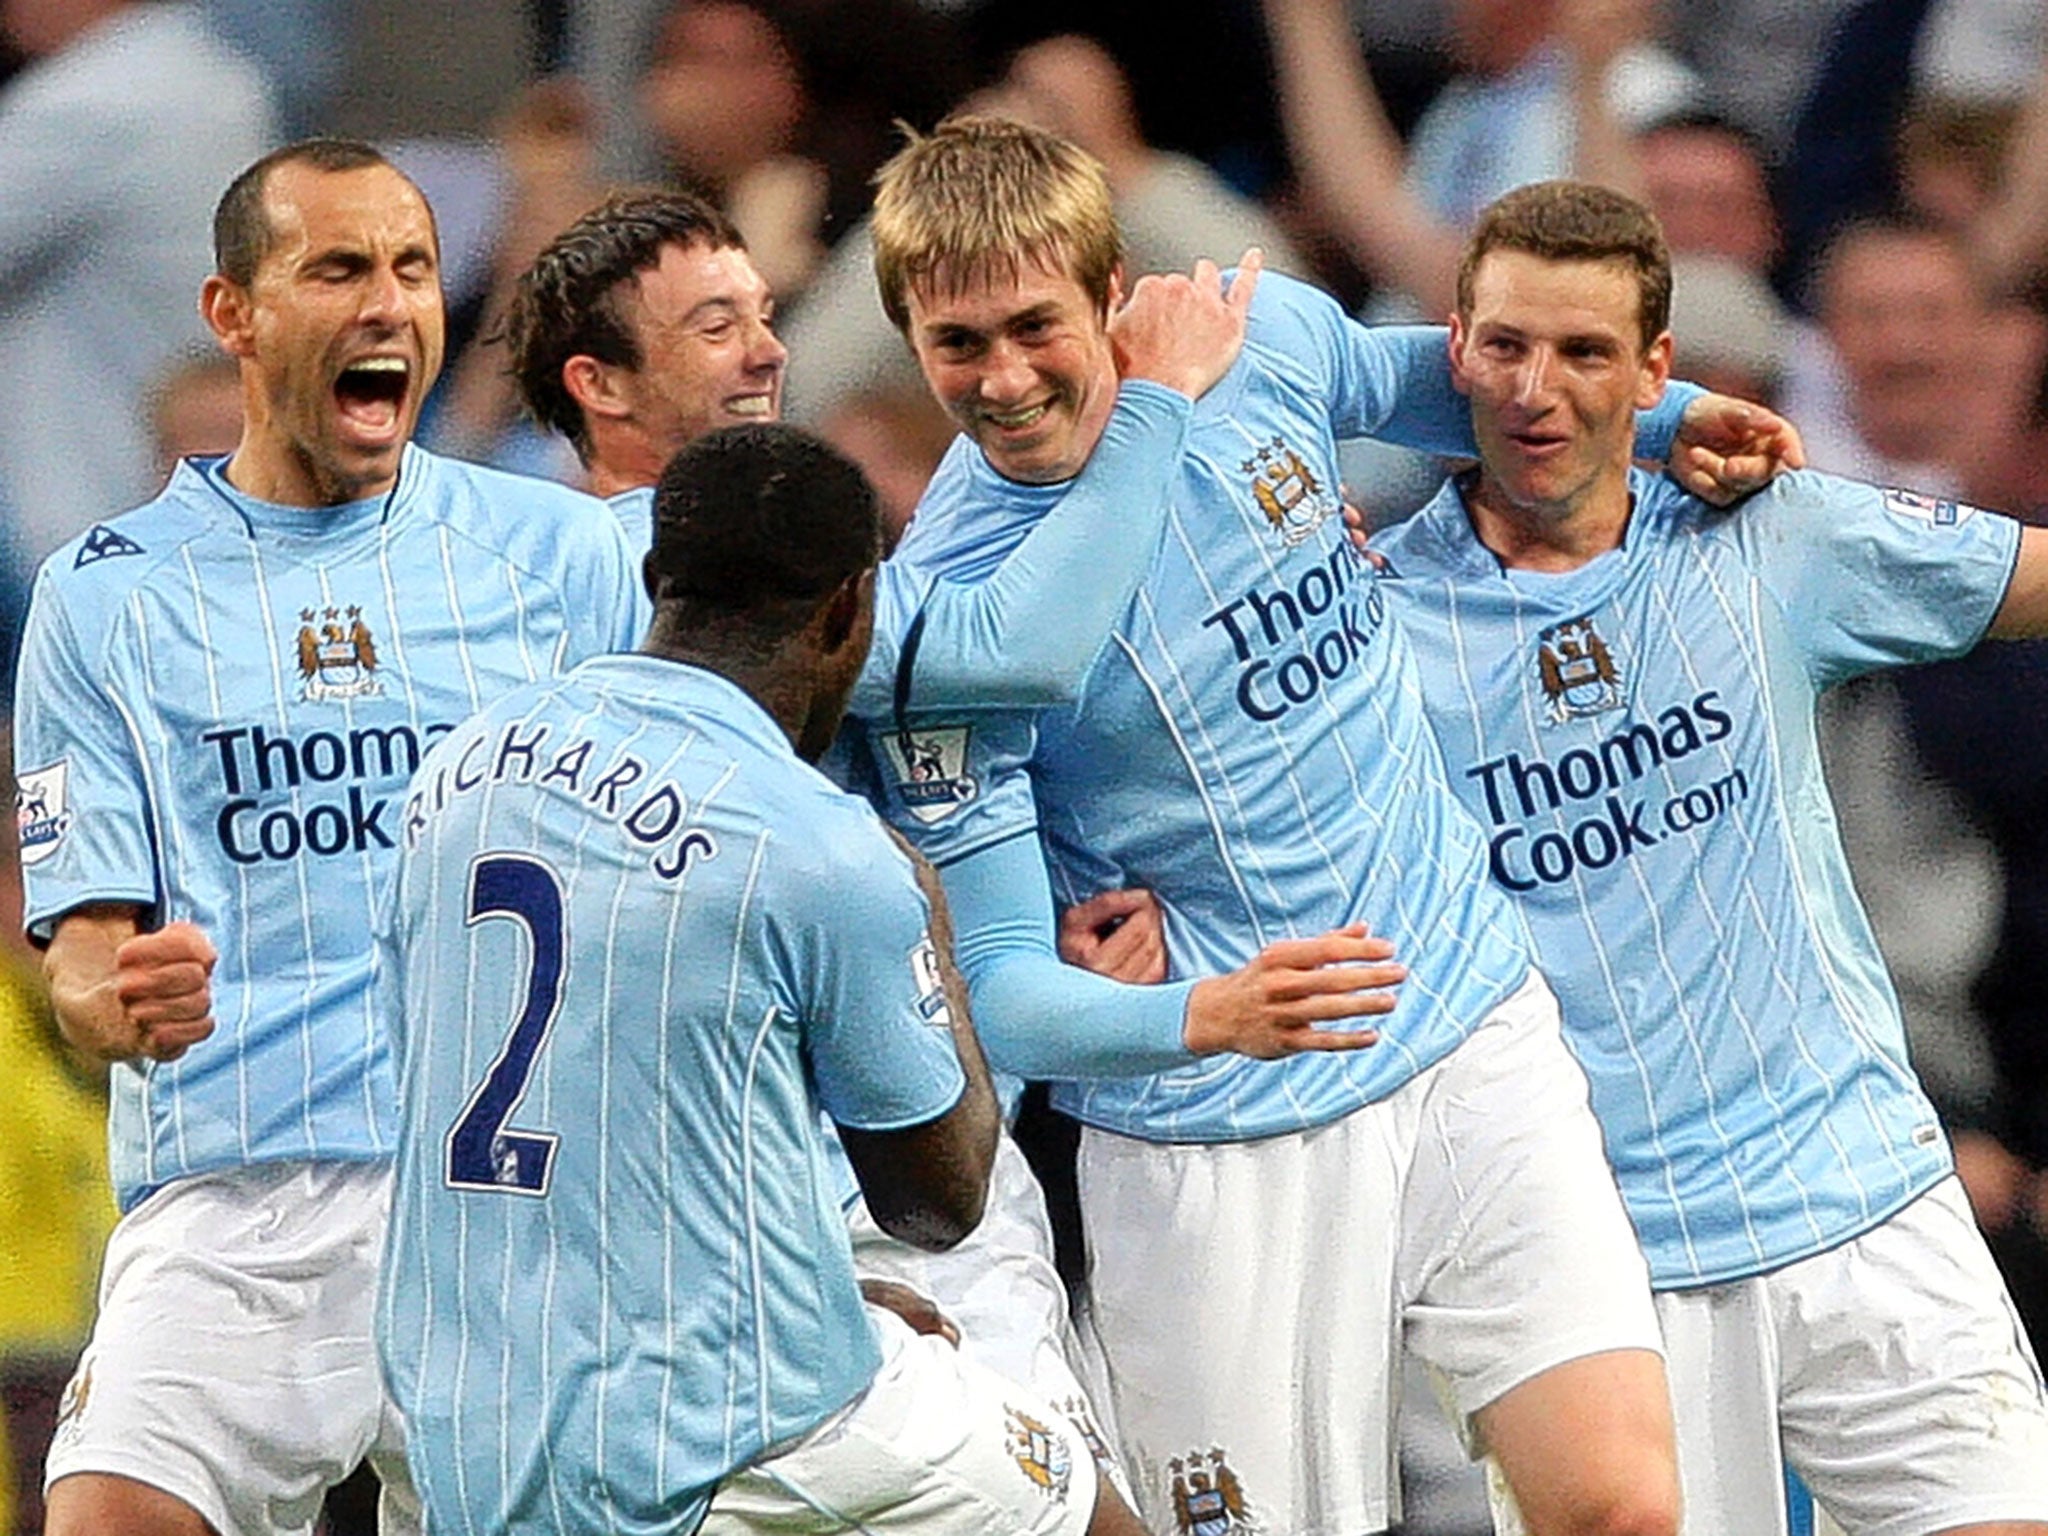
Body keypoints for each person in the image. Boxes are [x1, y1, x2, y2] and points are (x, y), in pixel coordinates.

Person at [844, 113, 1800, 1536]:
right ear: (910, 342)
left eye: (1034, 324)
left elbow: (1429, 383)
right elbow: (1000, 994)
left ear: (1116, 293)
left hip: (1460, 1013)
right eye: (956, 343)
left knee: (1620, 1506)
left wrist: (1661, 424)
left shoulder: (1261, 337)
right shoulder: (946, 617)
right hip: (1215, 1137)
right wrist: (1206, 1016)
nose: (1004, 377)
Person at [1094, 179, 2048, 1534]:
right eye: (1508, 348)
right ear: (1453, 351)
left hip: (1864, 1197)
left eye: (1588, 353)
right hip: (1602, 1267)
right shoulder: (1366, 631)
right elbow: (1187, 784)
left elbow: (2027, 580)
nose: (1538, 390)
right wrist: (1104, 911)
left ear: (1654, 370)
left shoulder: (1770, 532)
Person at [496, 185, 1326, 1469]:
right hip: (804, 1178)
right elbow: (1027, 649)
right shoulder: (658, 570)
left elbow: (948, 822)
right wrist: (1154, 400)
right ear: (600, 386)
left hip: (806, 1172)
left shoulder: (638, 579)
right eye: (716, 327)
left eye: (763, 317)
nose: (768, 352)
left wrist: (1059, 893)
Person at [16, 138, 643, 1536]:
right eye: (338, 267)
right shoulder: (104, 599)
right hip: (240, 1194)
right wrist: (112, 997)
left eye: (414, 269)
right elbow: (83, 943)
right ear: (232, 312)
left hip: (512, 1198)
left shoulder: (565, 558)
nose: (387, 302)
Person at [375, 421, 1144, 1536]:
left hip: (460, 1416)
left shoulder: (460, 771)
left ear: (654, 581)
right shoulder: (818, 845)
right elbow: (936, 1206)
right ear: (850, 611)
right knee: (1089, 1512)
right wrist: (932, 923)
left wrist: (807, 1296)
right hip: (714, 1443)